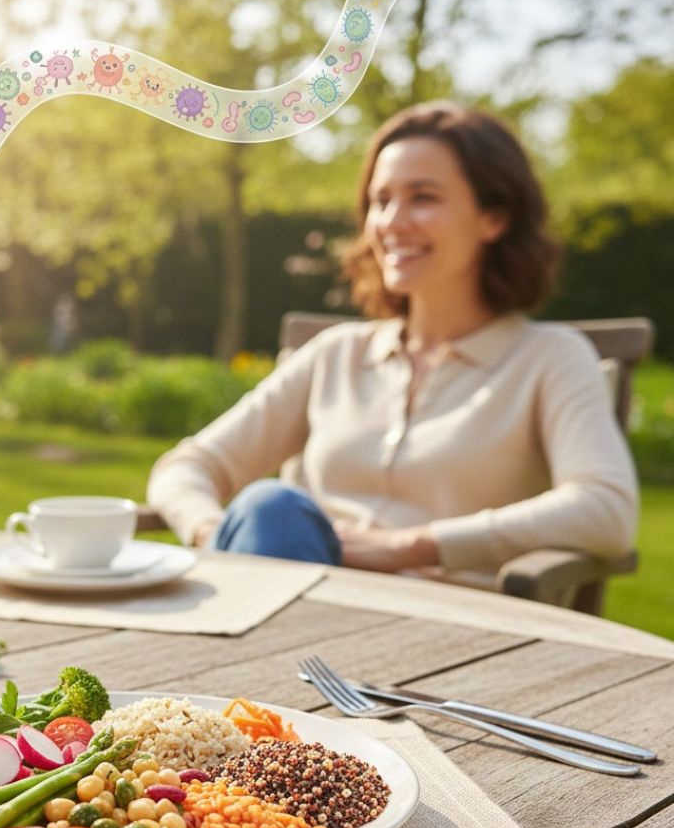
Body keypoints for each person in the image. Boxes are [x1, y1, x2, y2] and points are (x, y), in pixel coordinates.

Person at [146, 101, 638, 581]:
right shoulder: (337, 355)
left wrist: (412, 547)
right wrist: (213, 533)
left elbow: (606, 509)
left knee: (268, 507)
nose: (392, 222)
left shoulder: (549, 359)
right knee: (267, 510)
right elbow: (187, 467)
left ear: (495, 217)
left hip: (444, 637)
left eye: (423, 197)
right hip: (301, 605)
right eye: (381, 201)